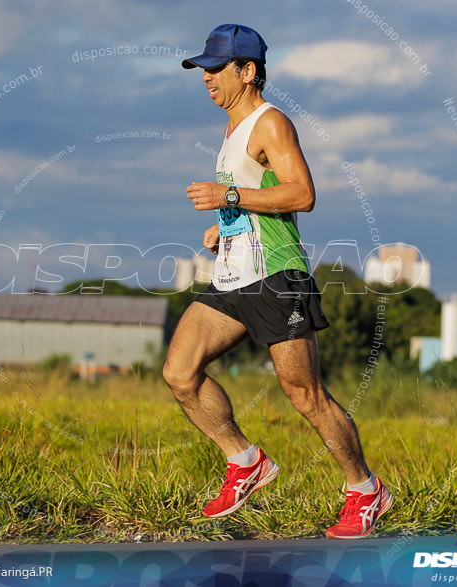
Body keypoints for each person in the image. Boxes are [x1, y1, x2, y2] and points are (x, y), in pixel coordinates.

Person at [163, 24, 393, 539]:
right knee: (180, 373)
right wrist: (223, 226)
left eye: (216, 69)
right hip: (232, 277)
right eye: (204, 70)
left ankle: (365, 490)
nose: (207, 79)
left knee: (304, 394)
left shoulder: (271, 123)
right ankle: (245, 461)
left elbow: (301, 194)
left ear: (248, 71)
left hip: (277, 277)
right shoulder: (230, 131)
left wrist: (228, 200)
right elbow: (251, 196)